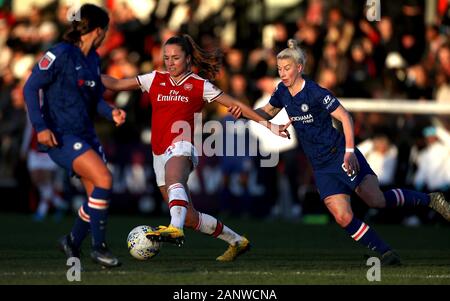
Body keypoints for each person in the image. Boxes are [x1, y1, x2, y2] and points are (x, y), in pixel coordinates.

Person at [235, 39, 450, 265]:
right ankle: (386, 252)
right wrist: (245, 112)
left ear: (300, 68)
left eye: (287, 68)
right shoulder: (282, 91)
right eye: (279, 69)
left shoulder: (316, 92)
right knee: (342, 216)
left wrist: (349, 151)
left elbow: (345, 117)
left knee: (375, 200)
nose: (283, 73)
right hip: (320, 166)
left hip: (339, 154)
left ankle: (430, 200)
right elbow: (267, 112)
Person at [102, 34, 289, 262]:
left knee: (174, 181)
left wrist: (269, 125)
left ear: (188, 59)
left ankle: (174, 228)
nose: (170, 63)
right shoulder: (154, 79)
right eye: (167, 58)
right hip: (158, 152)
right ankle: (237, 241)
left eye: (176, 58)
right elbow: (117, 83)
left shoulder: (200, 85)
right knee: (188, 217)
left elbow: (235, 104)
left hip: (183, 145)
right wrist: (84, 76)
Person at [23, 4, 126, 268]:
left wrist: (110, 112)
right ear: (99, 30)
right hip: (60, 135)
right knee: (104, 178)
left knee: (97, 195)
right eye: (106, 29)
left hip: (85, 133)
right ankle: (99, 248)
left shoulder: (93, 58)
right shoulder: (60, 53)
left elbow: (95, 99)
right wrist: (40, 127)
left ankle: (71, 241)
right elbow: (30, 88)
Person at [20, 116, 68, 222]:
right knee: (36, 179)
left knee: (47, 179)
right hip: (34, 148)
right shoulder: (32, 107)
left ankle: (42, 211)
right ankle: (59, 203)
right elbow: (28, 129)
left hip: (49, 147)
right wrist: (24, 147)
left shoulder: (54, 106)